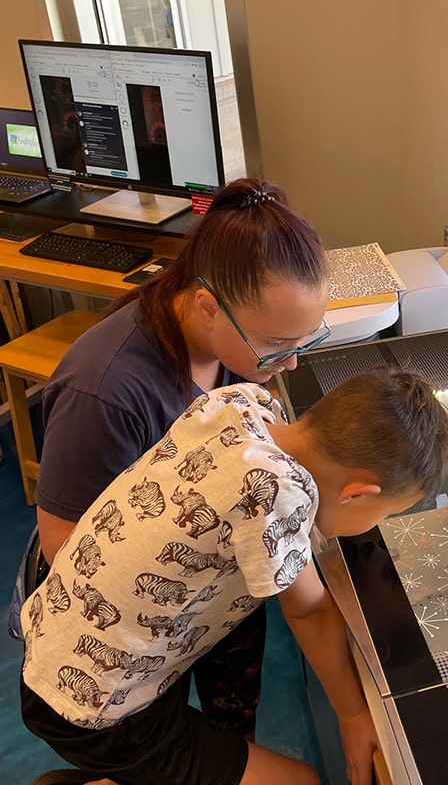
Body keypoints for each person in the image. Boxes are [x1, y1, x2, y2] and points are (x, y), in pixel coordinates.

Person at [20, 367, 448, 785]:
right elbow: (310, 612)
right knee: (299, 782)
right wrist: (354, 715)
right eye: (387, 513)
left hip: (54, 639)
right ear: (358, 493)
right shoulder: (276, 498)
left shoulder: (241, 402)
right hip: (94, 707)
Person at [33, 178, 330, 740]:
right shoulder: (105, 390)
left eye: (304, 342)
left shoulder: (233, 348)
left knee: (233, 719)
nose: (289, 365)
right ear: (207, 307)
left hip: (211, 577)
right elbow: (66, 552)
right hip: (125, 611)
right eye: (277, 345)